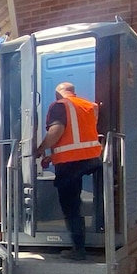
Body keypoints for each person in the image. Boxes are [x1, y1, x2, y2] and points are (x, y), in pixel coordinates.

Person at [34, 82, 102, 261]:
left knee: (70, 206)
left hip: (71, 164)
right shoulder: (88, 105)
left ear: (58, 93)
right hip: (92, 160)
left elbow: (57, 131)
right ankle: (92, 234)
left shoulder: (59, 105)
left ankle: (78, 250)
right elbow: (78, 136)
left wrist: (40, 149)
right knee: (84, 201)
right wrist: (53, 157)